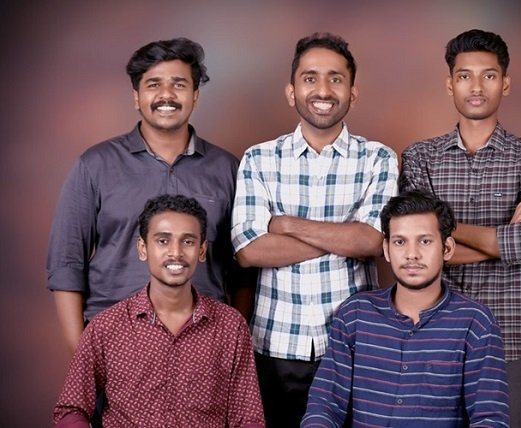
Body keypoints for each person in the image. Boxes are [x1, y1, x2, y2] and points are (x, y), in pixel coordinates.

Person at [231, 32, 398, 426]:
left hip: (355, 345)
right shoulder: (259, 158)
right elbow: (249, 250)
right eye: (310, 78)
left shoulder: (379, 158)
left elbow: (373, 240)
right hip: (275, 343)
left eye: (335, 78)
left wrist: (287, 226)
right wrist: (346, 236)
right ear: (291, 92)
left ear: (353, 92)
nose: (323, 90)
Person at [47, 38, 246, 356]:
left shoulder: (226, 169)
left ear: (195, 96)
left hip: (205, 344)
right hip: (114, 343)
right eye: (154, 84)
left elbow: (242, 271)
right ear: (136, 97)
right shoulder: (95, 165)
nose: (166, 95)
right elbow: (66, 263)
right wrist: (83, 354)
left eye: (179, 84)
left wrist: (233, 345)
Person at [399, 29, 521, 427]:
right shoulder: (420, 157)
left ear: (505, 83)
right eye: (465, 75)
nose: (476, 86)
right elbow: (416, 248)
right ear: (450, 84)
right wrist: (502, 236)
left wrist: (444, 232)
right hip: (432, 335)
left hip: (508, 337)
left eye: (489, 75)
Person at [53, 194, 265, 427]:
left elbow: (248, 418)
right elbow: (71, 409)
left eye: (188, 241)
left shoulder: (231, 326)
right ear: (143, 248)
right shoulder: (106, 327)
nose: (176, 252)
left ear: (202, 250)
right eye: (163, 241)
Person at [302, 190, 509, 427]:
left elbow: (489, 419)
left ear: (447, 248)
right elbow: (324, 406)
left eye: (425, 241)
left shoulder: (476, 323)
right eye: (400, 242)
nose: (412, 254)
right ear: (387, 249)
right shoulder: (355, 314)